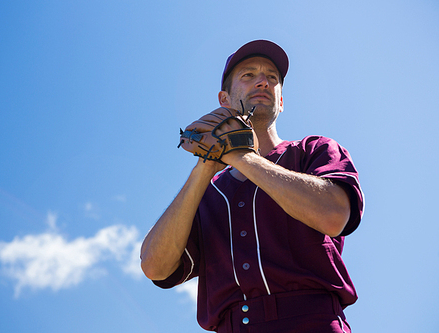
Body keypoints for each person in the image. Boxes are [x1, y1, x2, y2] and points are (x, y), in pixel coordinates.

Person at [140, 40, 364, 333]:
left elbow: (334, 215)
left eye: (272, 77)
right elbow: (155, 267)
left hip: (314, 322)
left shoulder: (314, 150)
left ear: (281, 101)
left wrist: (240, 155)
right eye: (248, 75)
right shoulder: (206, 191)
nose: (263, 81)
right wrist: (205, 165)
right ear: (224, 99)